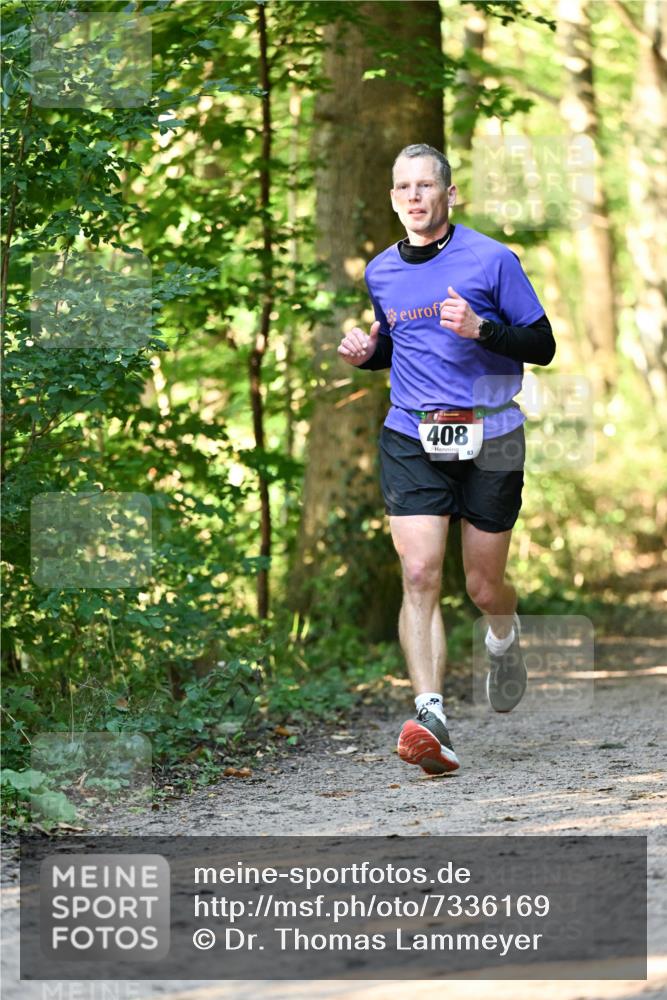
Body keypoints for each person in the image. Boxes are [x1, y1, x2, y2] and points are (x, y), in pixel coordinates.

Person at [337, 143, 555, 775]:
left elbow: (541, 344)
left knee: (483, 586)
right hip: (412, 433)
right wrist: (364, 352)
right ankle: (430, 714)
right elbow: (394, 346)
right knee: (419, 573)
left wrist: (482, 330)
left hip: (492, 433)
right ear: (393, 197)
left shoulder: (492, 260)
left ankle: (504, 636)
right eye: (402, 187)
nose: (413, 197)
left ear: (449, 194)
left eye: (425, 186)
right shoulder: (382, 271)